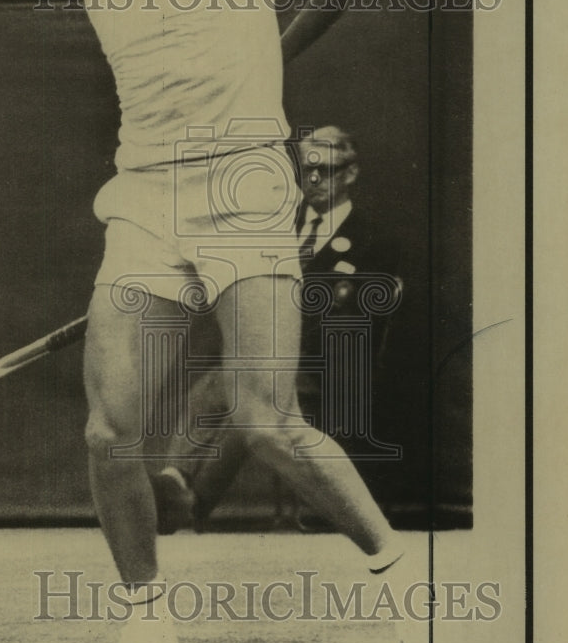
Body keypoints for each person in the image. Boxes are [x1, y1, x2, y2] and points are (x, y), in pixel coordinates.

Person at [0, 0, 415, 643]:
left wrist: (274, 54)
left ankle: (410, 594)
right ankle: (148, 623)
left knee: (268, 422)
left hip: (244, 190)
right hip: (146, 199)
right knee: (110, 431)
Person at [151, 126, 404, 533]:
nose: (315, 181)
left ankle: (188, 507)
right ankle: (175, 479)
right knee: (212, 389)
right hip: (270, 353)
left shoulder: (374, 239)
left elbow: (350, 325)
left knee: (249, 407)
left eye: (328, 170)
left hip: (329, 368)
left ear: (351, 174)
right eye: (307, 171)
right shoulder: (278, 227)